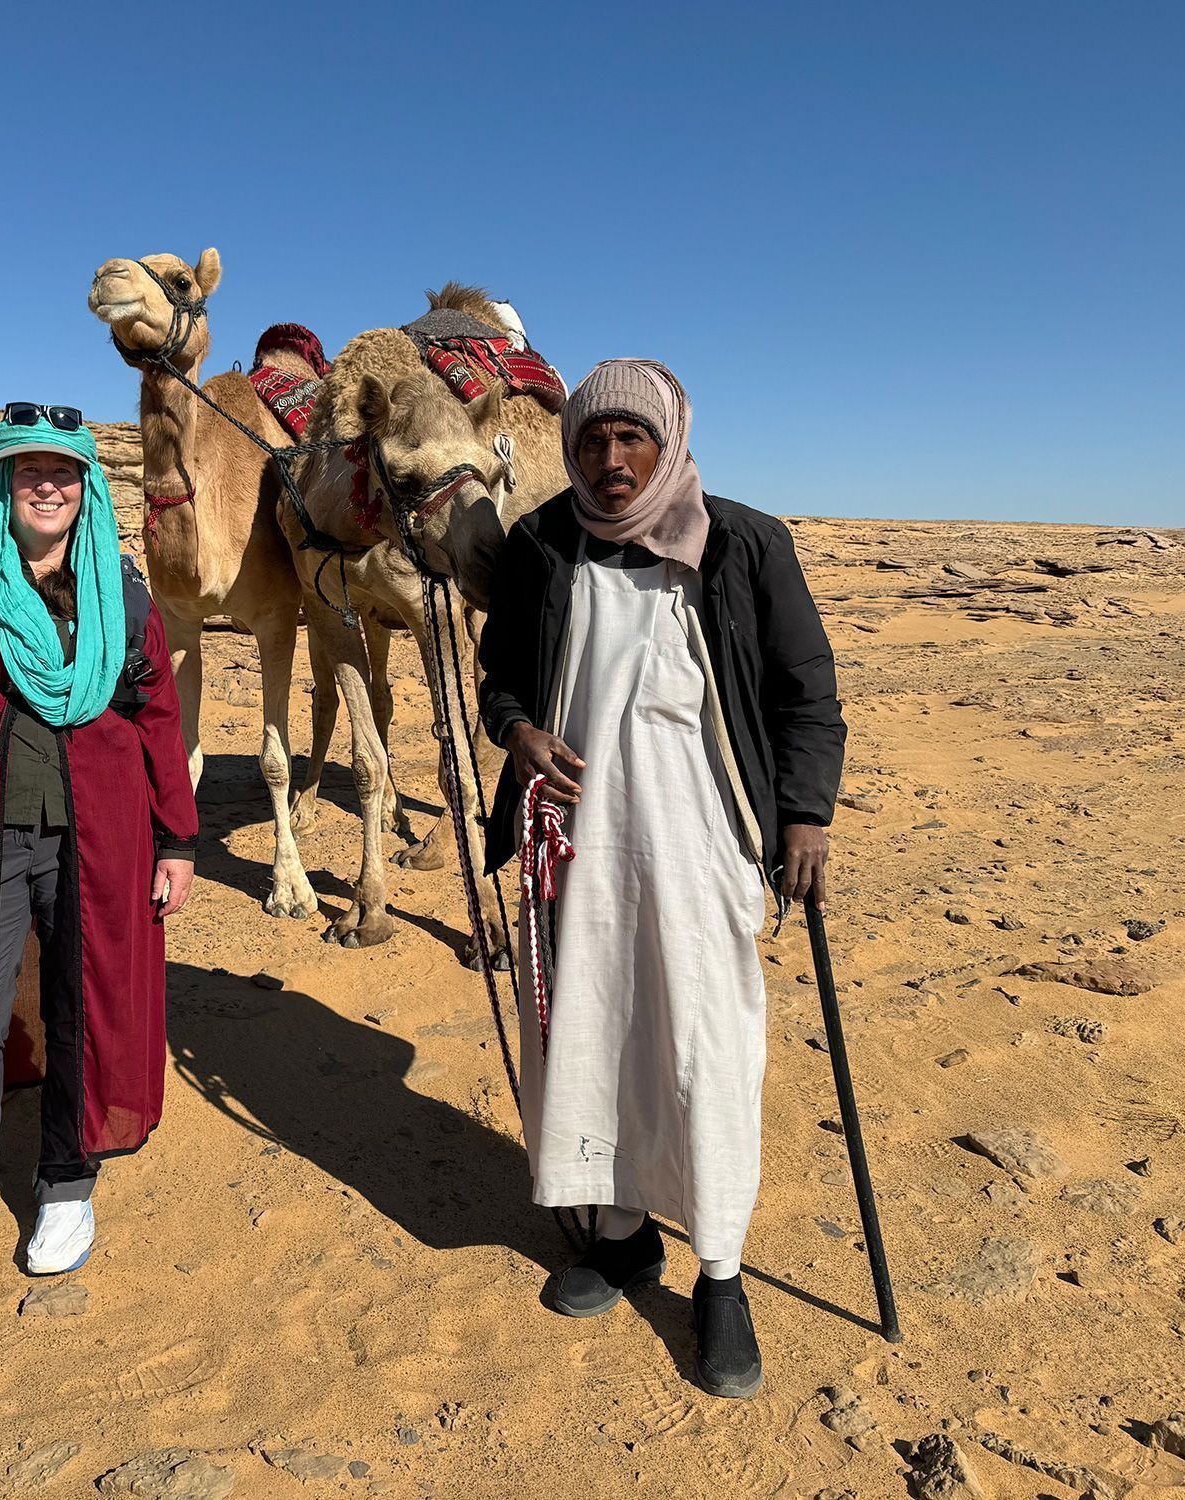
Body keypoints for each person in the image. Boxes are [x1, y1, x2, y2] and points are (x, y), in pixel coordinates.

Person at [477, 360, 844, 1398]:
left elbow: (802, 689)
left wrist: (805, 813)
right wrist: (516, 733)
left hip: (701, 842)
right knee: (594, 1032)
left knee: (702, 1042)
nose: (610, 462)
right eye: (592, 442)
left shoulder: (741, 543)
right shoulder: (540, 547)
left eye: (630, 439)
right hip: (579, 844)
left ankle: (718, 1272)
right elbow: (498, 673)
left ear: (668, 442)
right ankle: (621, 1231)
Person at [0, 404, 197, 1280]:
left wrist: (177, 840)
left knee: (88, 1003)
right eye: (29, 473)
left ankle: (65, 1182)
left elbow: (157, 718)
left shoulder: (119, 593)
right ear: (4, 484)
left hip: (104, 835)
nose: (47, 487)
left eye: (63, 473)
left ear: (84, 486)